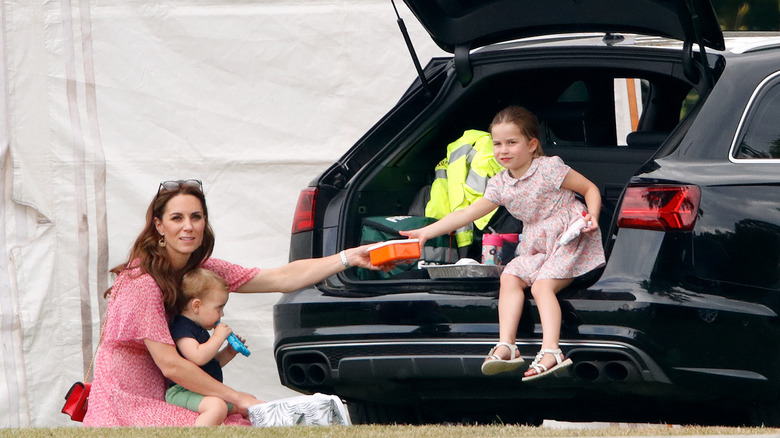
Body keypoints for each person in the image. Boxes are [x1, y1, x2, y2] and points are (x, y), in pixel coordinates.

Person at [83, 179, 389, 427]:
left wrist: (349, 257)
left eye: (196, 216)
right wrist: (238, 397)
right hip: (124, 401)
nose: (188, 226)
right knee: (234, 420)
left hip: (167, 394)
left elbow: (281, 278)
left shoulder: (203, 271)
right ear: (159, 226)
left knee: (237, 423)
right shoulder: (142, 281)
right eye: (177, 218)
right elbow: (171, 364)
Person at [400, 106, 605, 382]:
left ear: (532, 145)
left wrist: (591, 215)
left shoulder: (549, 168)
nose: (503, 150)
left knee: (542, 285)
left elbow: (589, 188)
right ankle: (507, 345)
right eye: (497, 143)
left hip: (570, 236)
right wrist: (426, 232)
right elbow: (465, 213)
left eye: (512, 142)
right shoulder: (500, 184)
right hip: (537, 243)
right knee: (509, 276)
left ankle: (551, 351)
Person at [165, 268, 246, 426]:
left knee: (244, 403)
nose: (221, 314)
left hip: (203, 391)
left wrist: (229, 352)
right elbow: (198, 357)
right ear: (197, 306)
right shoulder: (181, 327)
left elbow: (209, 364)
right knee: (217, 406)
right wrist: (217, 338)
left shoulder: (200, 329)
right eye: (219, 308)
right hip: (182, 391)